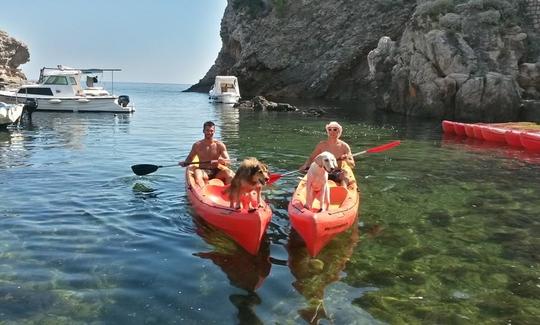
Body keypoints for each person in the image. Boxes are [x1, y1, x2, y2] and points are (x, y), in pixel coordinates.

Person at [299, 121, 355, 187]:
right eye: (329, 129)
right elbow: (312, 158)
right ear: (327, 131)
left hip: (336, 172)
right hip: (322, 172)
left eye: (335, 129)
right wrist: (305, 165)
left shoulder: (344, 146)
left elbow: (352, 165)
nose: (332, 131)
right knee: (307, 173)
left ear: (339, 131)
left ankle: (343, 191)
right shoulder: (321, 145)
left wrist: (346, 159)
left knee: (345, 176)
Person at [180, 121, 234, 187]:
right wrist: (185, 163)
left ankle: (230, 193)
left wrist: (223, 161)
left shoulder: (220, 145)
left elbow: (228, 160)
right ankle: (202, 193)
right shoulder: (197, 145)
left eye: (211, 131)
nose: (209, 132)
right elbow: (190, 157)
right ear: (203, 131)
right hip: (203, 171)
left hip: (216, 171)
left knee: (230, 173)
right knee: (197, 173)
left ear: (214, 131)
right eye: (207, 130)